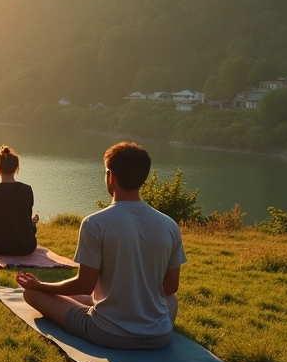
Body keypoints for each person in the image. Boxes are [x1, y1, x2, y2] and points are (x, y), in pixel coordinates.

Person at [16, 142, 184, 350]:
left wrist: (41, 286)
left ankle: (101, 310)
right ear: (143, 177)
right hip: (160, 335)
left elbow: (84, 284)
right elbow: (170, 287)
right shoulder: (169, 225)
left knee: (32, 295)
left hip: (108, 333)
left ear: (110, 175)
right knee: (171, 300)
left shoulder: (95, 223)